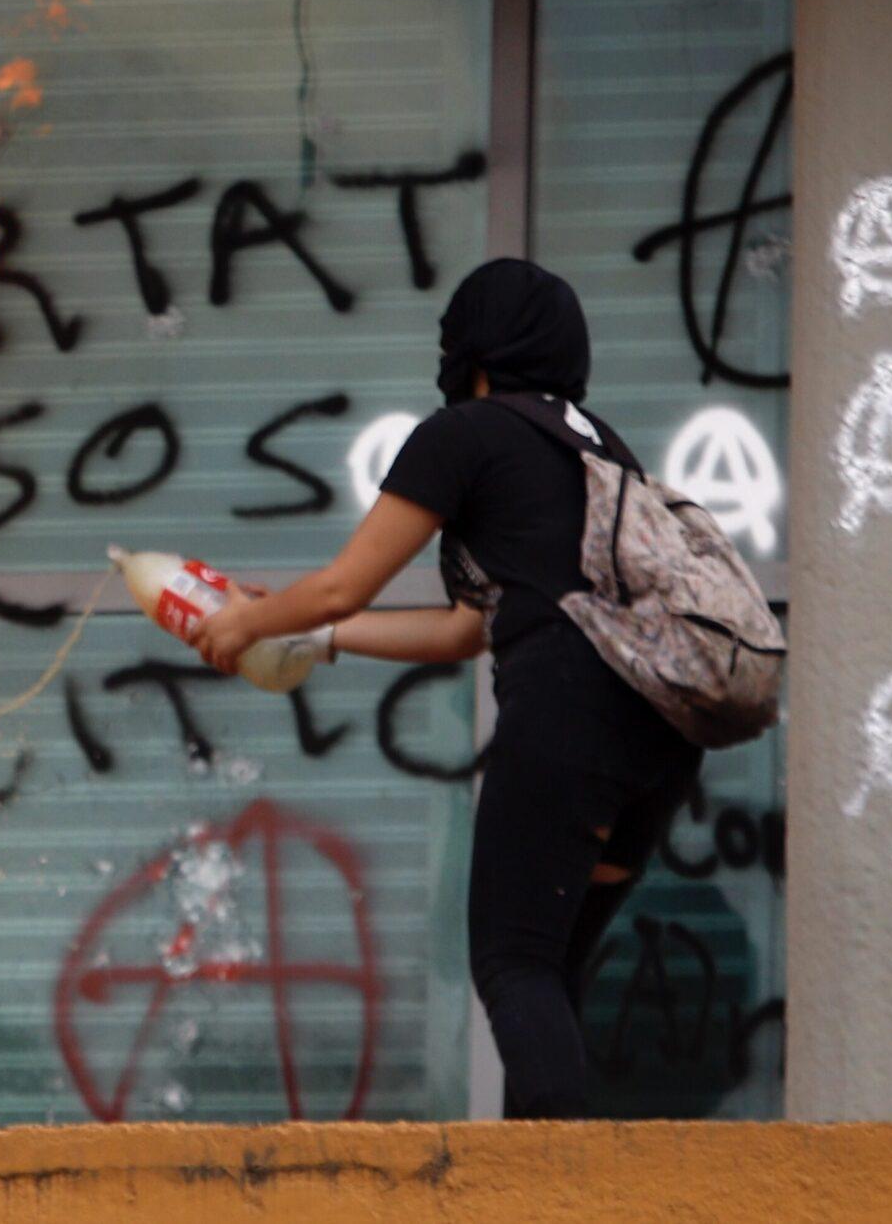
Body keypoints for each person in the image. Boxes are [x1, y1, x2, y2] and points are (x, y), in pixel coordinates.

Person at [189, 258, 702, 1118]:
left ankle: (549, 1198)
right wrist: (320, 637)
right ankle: (555, 1174)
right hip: (662, 730)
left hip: (569, 715)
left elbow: (345, 582)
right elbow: (465, 627)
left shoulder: (467, 433)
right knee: (554, 963)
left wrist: (248, 623)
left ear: (474, 350)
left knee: (513, 961)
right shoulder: (601, 448)